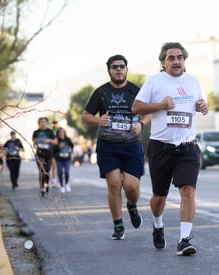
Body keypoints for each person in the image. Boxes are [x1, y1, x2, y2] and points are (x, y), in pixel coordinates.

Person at [131, 42, 208, 256]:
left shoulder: (193, 81)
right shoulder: (154, 82)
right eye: (171, 58)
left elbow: (201, 104)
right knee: (159, 197)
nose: (176, 61)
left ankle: (184, 239)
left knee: (188, 191)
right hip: (161, 147)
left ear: (184, 60)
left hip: (188, 147)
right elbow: (136, 107)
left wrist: (203, 106)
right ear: (163, 63)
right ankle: (157, 224)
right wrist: (159, 106)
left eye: (179, 57)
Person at [82, 54, 151, 240]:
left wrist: (142, 124)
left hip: (131, 145)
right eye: (115, 67)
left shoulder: (136, 91)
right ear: (109, 71)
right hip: (108, 145)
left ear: (127, 69)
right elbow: (85, 116)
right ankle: (118, 224)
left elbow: (149, 112)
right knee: (113, 184)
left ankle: (132, 205)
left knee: (131, 186)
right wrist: (98, 120)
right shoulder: (101, 92)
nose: (118, 69)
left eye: (122, 66)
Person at [32, 117, 58, 197]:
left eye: (44, 122)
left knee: (46, 172)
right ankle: (42, 188)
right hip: (39, 154)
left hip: (49, 154)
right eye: (41, 122)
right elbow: (33, 141)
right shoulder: (36, 132)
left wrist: (49, 141)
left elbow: (55, 141)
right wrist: (36, 142)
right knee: (41, 170)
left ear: (47, 123)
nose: (43, 123)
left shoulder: (50, 132)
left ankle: (46, 187)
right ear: (39, 123)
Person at [53, 127, 74, 193]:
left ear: (65, 133)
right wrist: (58, 147)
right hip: (59, 159)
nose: (61, 134)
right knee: (60, 172)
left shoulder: (68, 139)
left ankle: (67, 184)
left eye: (63, 132)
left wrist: (71, 152)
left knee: (67, 172)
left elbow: (72, 146)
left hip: (67, 158)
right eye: (60, 133)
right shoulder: (56, 140)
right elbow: (53, 150)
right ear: (58, 134)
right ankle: (62, 186)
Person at [51, 120, 59, 188]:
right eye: (54, 124)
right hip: (52, 150)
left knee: (56, 167)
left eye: (56, 124)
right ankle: (54, 180)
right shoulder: (51, 131)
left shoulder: (59, 131)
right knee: (54, 166)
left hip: (58, 150)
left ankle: (55, 180)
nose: (55, 125)